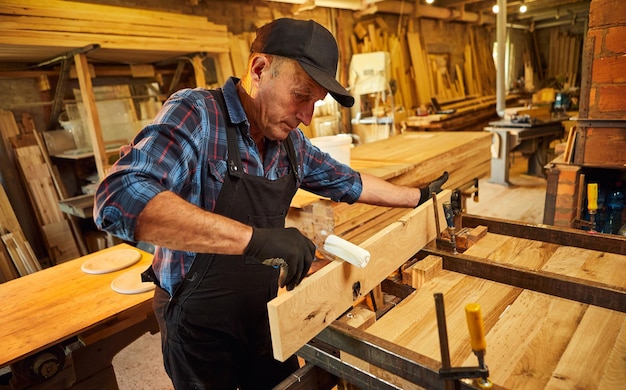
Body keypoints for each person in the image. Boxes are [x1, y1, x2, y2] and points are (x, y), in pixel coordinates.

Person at [93, 18, 448, 390]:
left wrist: (419, 197)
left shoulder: (290, 146)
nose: (307, 117)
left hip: (261, 313)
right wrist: (256, 240)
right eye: (301, 95)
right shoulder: (197, 114)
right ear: (259, 69)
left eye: (316, 103)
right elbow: (118, 199)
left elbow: (349, 181)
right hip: (198, 324)